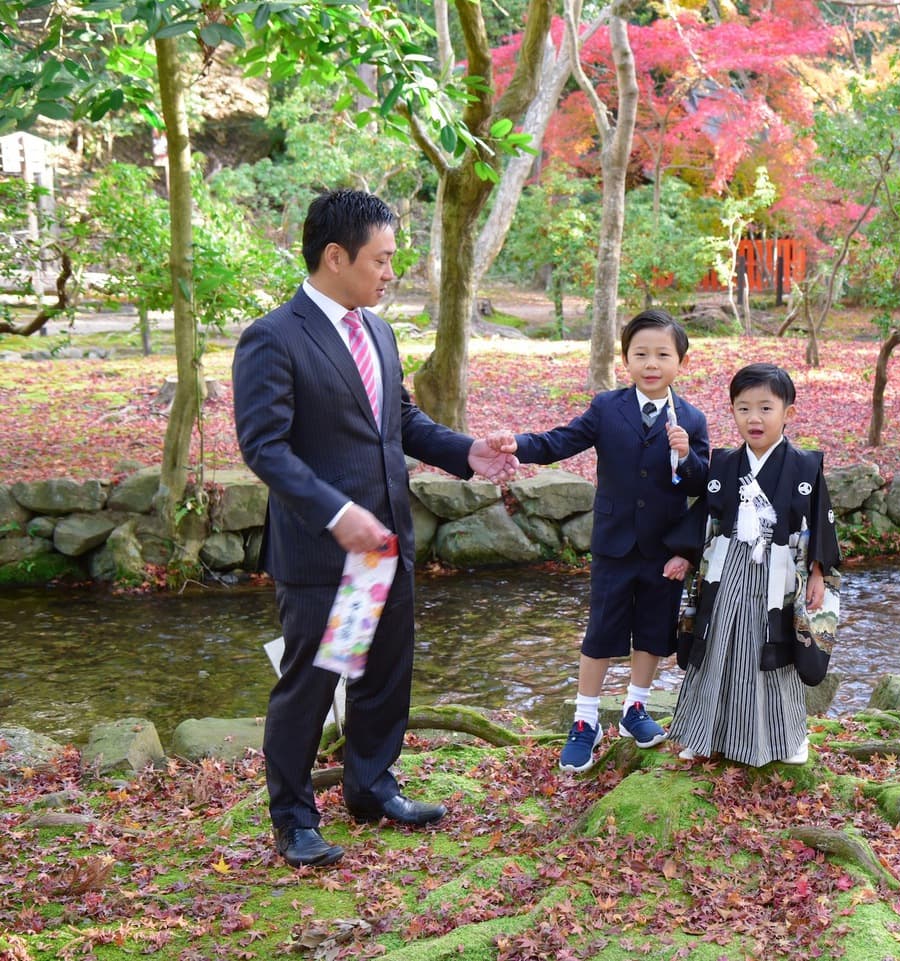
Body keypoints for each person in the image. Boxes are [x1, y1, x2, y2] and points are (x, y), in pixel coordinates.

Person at [233, 188, 518, 869]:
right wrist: (335, 511)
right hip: (324, 549)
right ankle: (294, 819)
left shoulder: (379, 331)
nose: (391, 272)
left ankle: (370, 786)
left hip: (387, 541)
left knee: (384, 674)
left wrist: (467, 453)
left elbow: (401, 423)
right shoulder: (273, 338)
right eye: (382, 259)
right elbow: (264, 447)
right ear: (337, 256)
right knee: (313, 680)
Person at [485, 310, 710, 774]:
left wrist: (686, 456)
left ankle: (635, 710)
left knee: (653, 631)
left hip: (665, 549)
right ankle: (585, 720)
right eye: (640, 354)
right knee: (602, 632)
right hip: (613, 543)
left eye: (662, 355)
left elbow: (702, 486)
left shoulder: (691, 418)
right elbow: (561, 441)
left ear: (681, 362)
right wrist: (518, 445)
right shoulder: (608, 407)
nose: (651, 363)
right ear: (625, 361)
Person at [665, 363, 840, 767]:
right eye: (743, 409)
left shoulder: (805, 466)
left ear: (788, 413)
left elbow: (820, 520)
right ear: (732, 412)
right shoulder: (725, 463)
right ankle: (704, 732)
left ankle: (787, 737)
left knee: (773, 651)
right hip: (726, 571)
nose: (754, 418)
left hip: (779, 574)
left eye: (765, 408)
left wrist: (818, 573)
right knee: (716, 647)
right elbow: (706, 516)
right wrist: (683, 553)